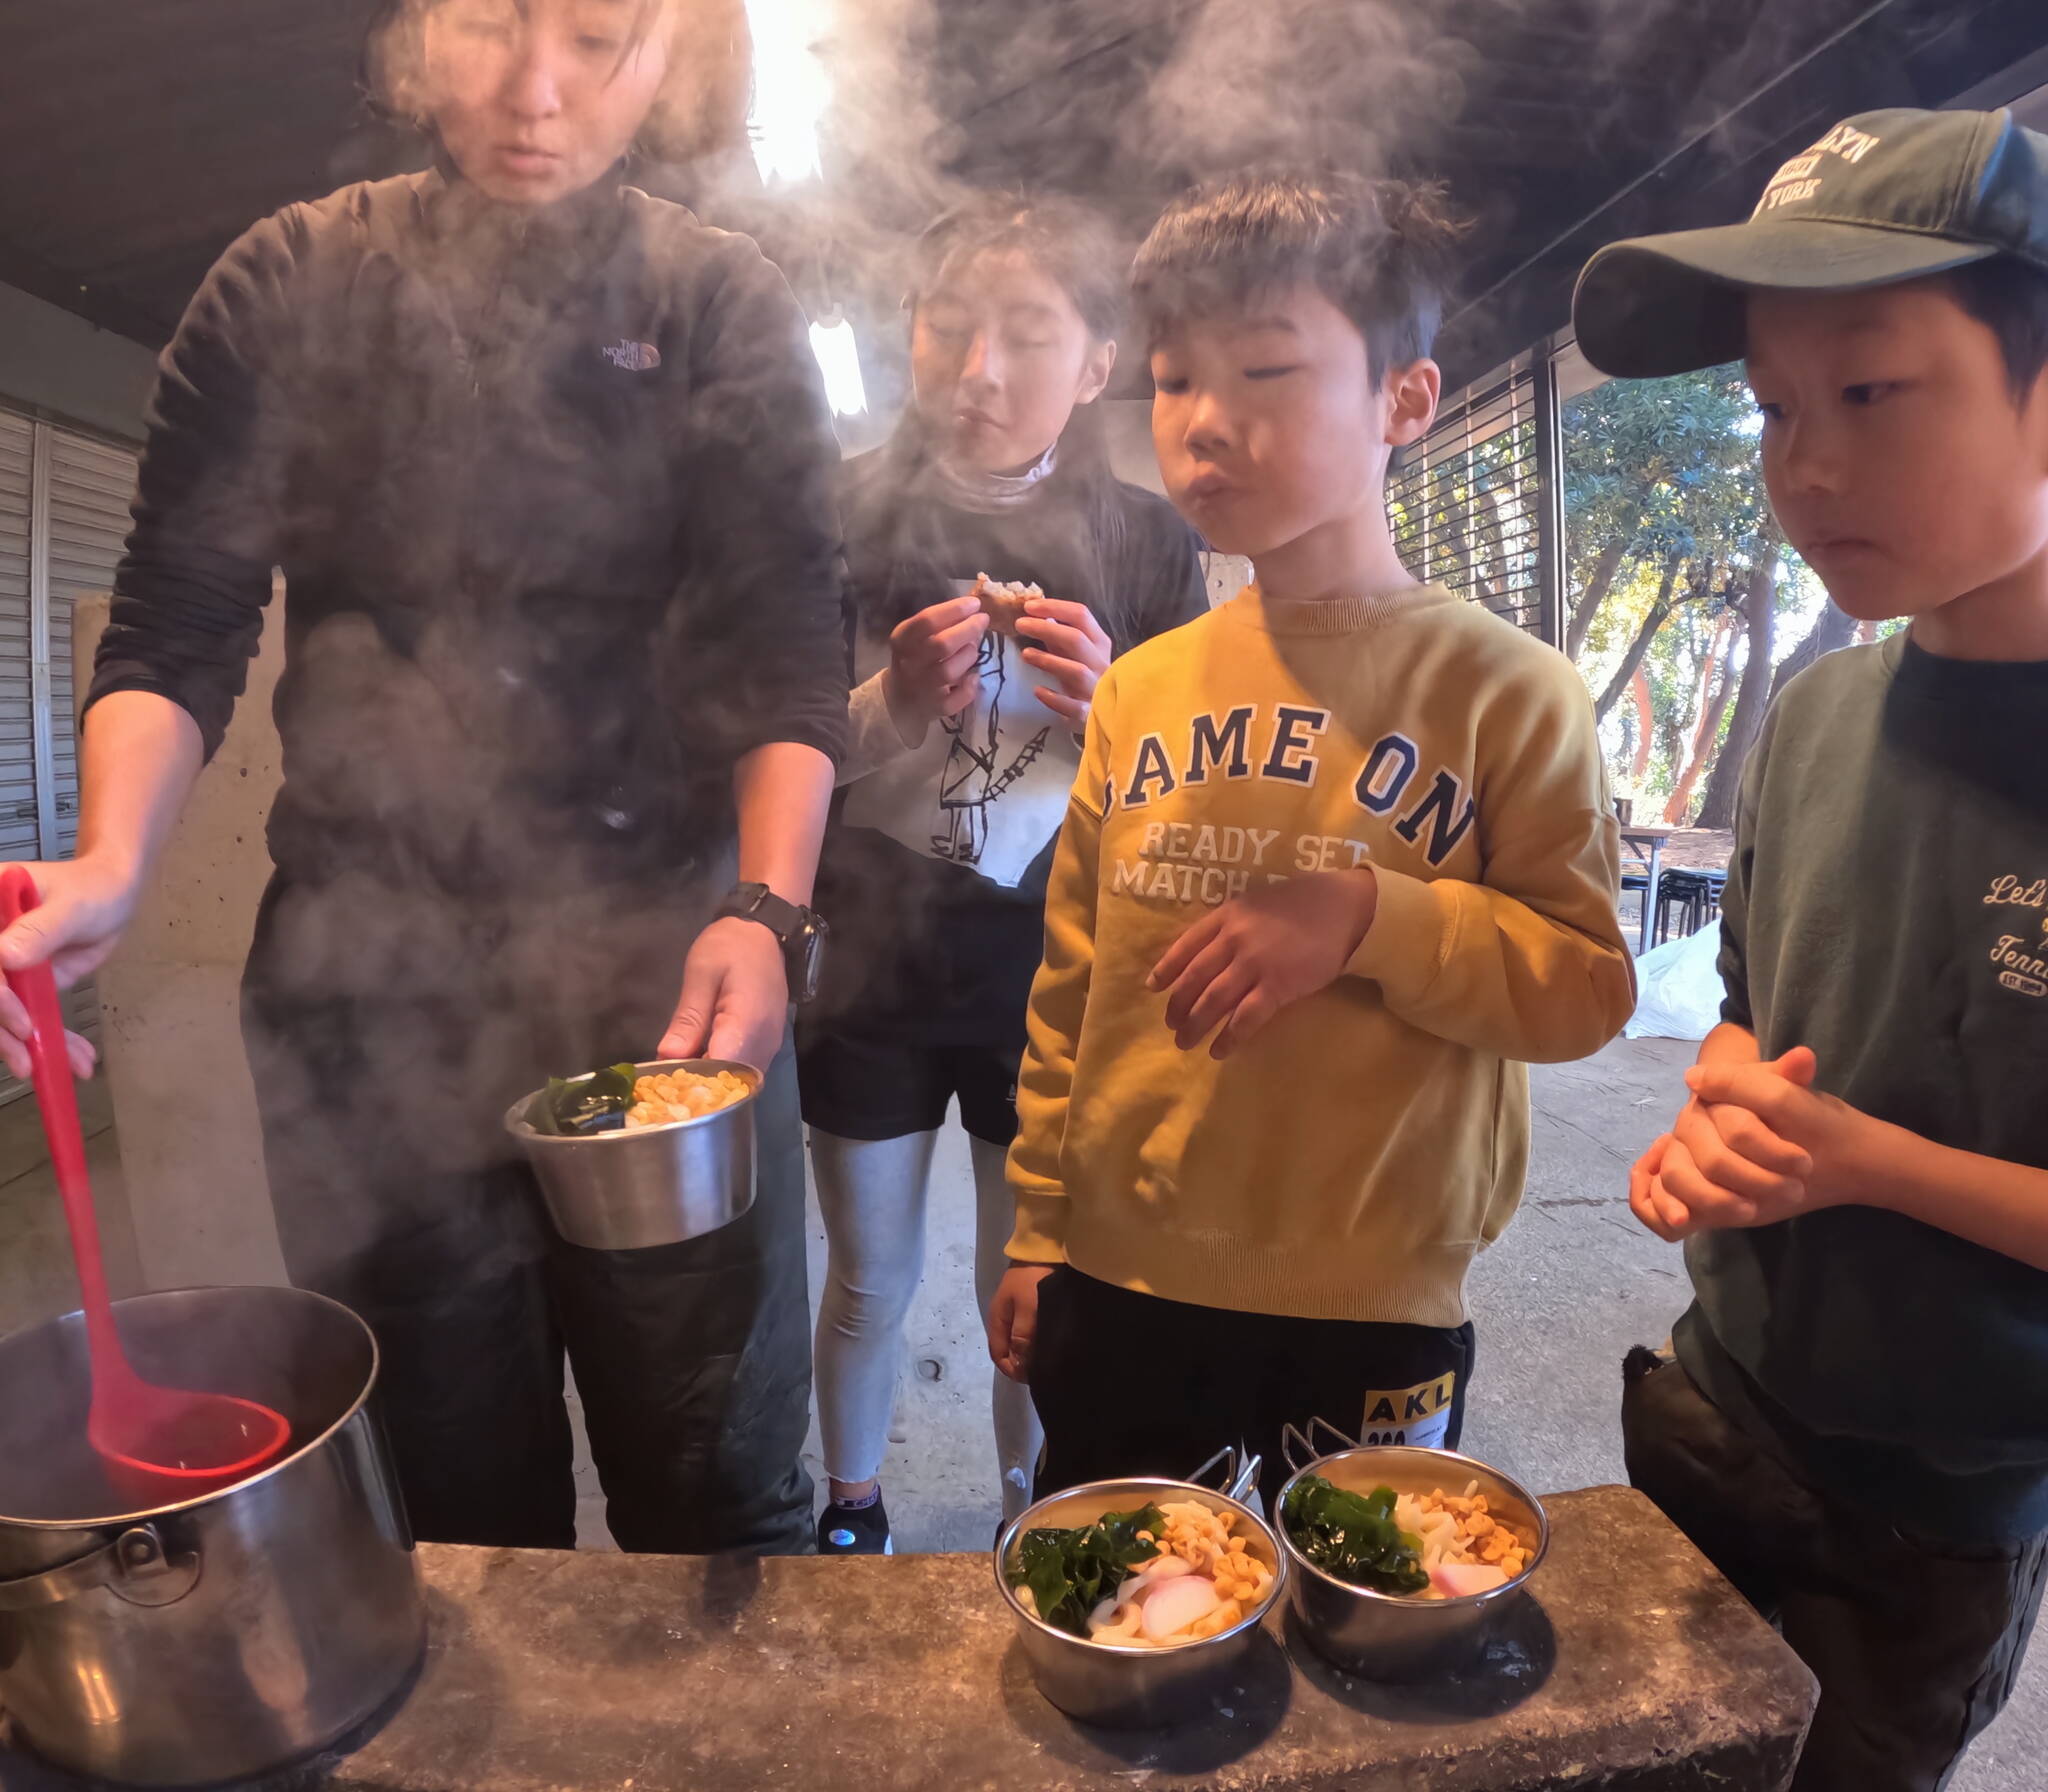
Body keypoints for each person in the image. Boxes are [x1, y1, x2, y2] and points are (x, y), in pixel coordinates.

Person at [0, 0, 847, 1556]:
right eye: (489, 23)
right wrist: (110, 860)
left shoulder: (717, 300)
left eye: (593, 39)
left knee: (717, 1496)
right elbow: (179, 617)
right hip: (367, 995)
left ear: (666, 56)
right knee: (450, 1518)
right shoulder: (288, 281)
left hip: (663, 982)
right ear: (415, 32)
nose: (535, 88)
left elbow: (788, 642)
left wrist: (768, 909)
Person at [985, 171, 1635, 1507]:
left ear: (1406, 398)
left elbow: (1582, 986)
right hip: (1123, 1271)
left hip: (1369, 1294)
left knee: (1356, 1608)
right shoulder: (1143, 690)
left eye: (1267, 370)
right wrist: (1041, 1224)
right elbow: (1073, 986)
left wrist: (1367, 915)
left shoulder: (1509, 693)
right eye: (1173, 380)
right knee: (1123, 1600)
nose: (1203, 422)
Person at [1573, 106, 2048, 1792]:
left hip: (1937, 1509)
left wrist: (1865, 1165)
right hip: (1714, 1404)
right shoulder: (1815, 711)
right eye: (1776, 408)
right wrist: (1723, 1120)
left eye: (1871, 393)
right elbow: (1745, 1018)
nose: (1806, 465)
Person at [801, 197, 1208, 1555]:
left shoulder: (1148, 541)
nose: (978, 370)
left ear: (1098, 366)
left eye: (1027, 334)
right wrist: (890, 700)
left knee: (1025, 1289)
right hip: (867, 964)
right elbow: (770, 750)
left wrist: (1119, 703)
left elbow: (1197, 793)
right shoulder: (836, 512)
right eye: (949, 326)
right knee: (868, 1275)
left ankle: (1028, 1515)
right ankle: (852, 1505)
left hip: (1056, 973)